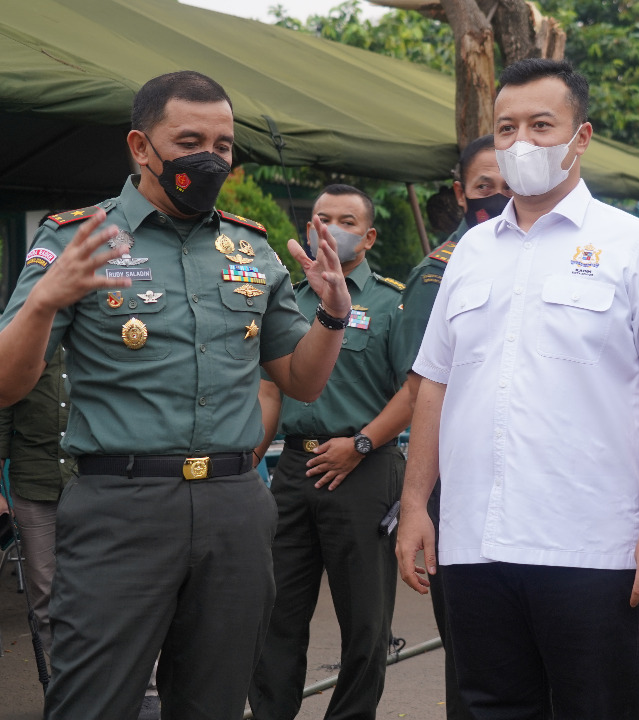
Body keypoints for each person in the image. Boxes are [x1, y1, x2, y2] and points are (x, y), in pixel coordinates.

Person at [0, 70, 352, 720]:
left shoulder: (251, 248)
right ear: (140, 146)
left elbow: (301, 379)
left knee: (214, 702)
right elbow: (3, 383)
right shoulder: (77, 238)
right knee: (91, 702)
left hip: (236, 508)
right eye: (190, 140)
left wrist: (332, 318)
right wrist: (44, 300)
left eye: (224, 144)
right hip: (121, 507)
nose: (210, 158)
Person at [395, 58, 639, 719]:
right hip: (474, 545)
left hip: (588, 546)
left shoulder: (635, 246)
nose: (523, 143)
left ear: (582, 137)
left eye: (543, 125)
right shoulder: (471, 256)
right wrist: (415, 506)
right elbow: (433, 384)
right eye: (507, 128)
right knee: (488, 707)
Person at [249, 184, 413, 720]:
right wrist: (252, 456)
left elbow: (417, 390)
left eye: (346, 220)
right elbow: (271, 389)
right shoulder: (288, 299)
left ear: (367, 237)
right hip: (294, 468)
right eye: (322, 218)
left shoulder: (391, 301)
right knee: (276, 614)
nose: (332, 229)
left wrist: (362, 443)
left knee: (365, 621)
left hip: (365, 469)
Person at [396, 133, 510, 720]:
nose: (495, 196)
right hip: (457, 482)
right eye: (483, 186)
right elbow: (420, 384)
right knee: (474, 660)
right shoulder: (442, 271)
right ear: (461, 192)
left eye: (505, 185)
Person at [0, 345, 72, 658]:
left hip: (98, 482)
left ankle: (128, 688)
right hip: (34, 482)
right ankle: (66, 685)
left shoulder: (101, 328)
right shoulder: (21, 337)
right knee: (45, 591)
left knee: (110, 588)